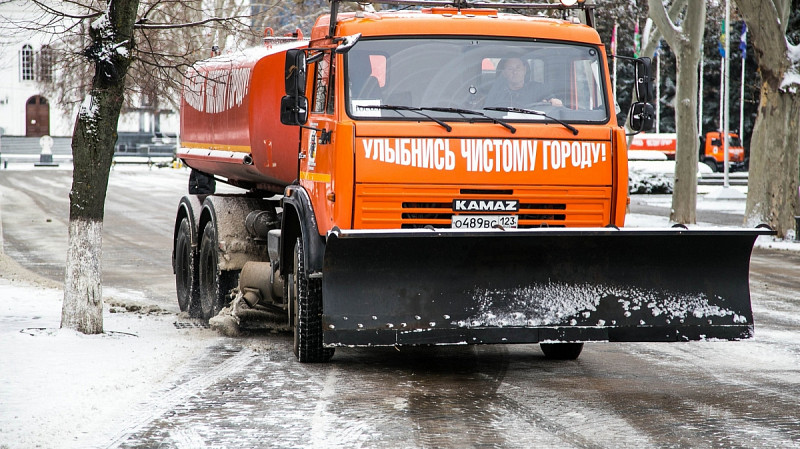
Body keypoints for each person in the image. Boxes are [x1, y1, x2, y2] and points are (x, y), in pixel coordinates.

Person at [484, 57, 562, 108]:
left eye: (518, 68)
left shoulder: (538, 89)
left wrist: (554, 102)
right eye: (510, 69)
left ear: (525, 70)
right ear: (504, 73)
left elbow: (553, 103)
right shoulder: (496, 92)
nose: (515, 72)